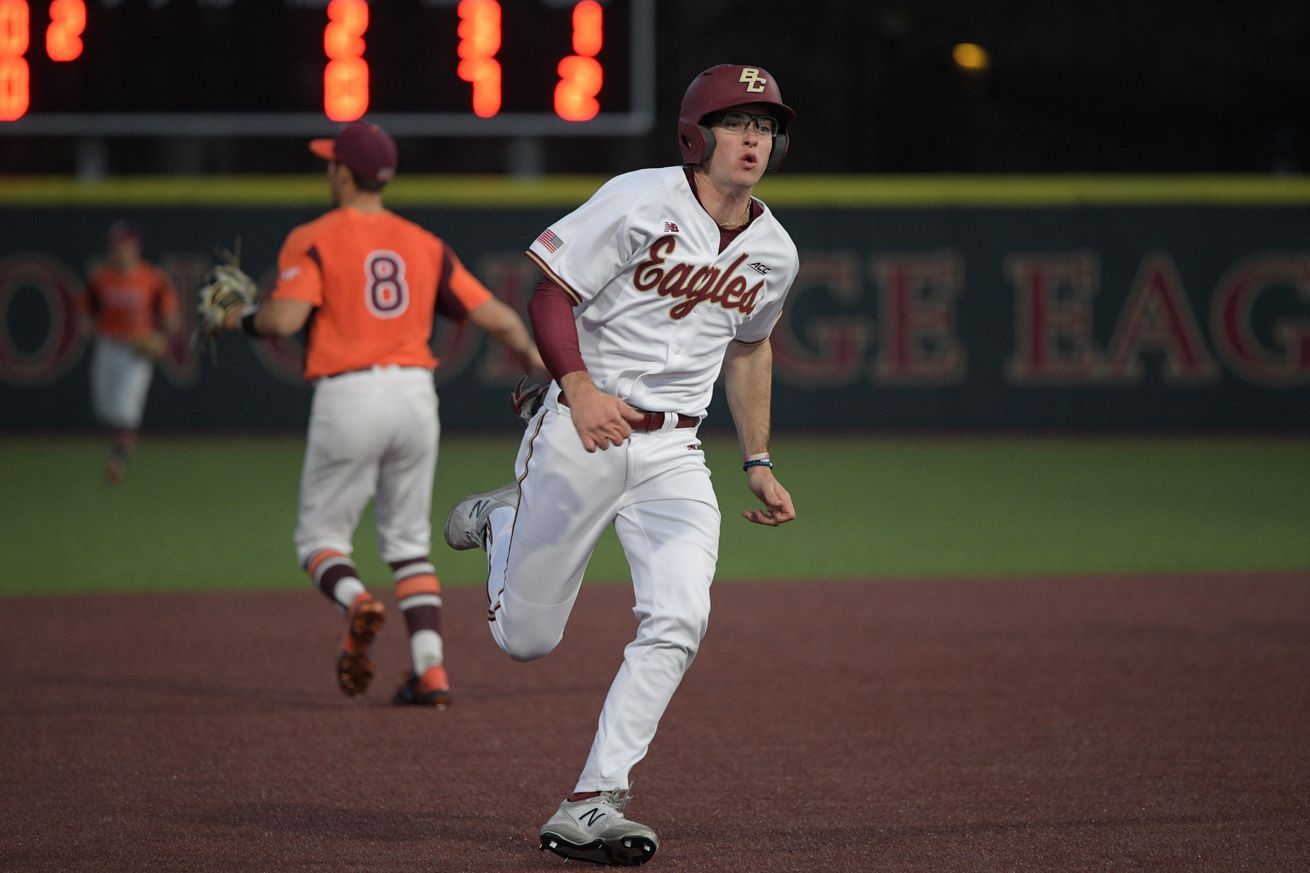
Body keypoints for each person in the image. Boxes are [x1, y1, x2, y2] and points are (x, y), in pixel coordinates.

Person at [444, 64, 799, 865]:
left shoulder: (775, 251)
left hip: (676, 451)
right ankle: (504, 519)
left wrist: (757, 458)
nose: (753, 139)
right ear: (697, 133)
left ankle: (593, 798)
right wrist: (576, 386)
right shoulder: (639, 197)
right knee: (526, 640)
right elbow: (549, 293)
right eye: (737, 122)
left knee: (680, 614)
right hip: (583, 429)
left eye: (767, 126)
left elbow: (750, 350)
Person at [212, 120, 544, 708]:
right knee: (409, 543)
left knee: (319, 539)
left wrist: (236, 318)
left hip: (349, 394)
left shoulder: (314, 236)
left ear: (343, 172)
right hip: (415, 396)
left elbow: (284, 320)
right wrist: (542, 366)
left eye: (332, 163)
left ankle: (356, 601)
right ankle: (431, 671)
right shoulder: (423, 242)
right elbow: (498, 318)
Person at [79, 221, 181, 483]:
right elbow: (85, 313)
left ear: (135, 246)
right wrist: (87, 325)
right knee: (105, 408)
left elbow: (171, 319)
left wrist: (160, 338)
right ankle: (119, 446)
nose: (120, 250)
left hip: (137, 351)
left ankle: (118, 461)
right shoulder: (100, 278)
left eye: (124, 245)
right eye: (115, 246)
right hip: (108, 346)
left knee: (126, 409)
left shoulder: (152, 278)